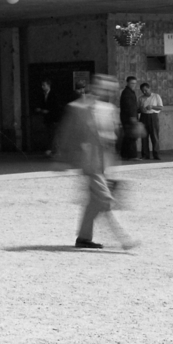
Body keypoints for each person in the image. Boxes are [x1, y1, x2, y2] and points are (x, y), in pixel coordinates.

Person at [56, 76, 136, 250]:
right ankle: (124, 240)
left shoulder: (109, 109)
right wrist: (60, 158)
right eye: (105, 88)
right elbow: (66, 133)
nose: (109, 92)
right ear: (96, 87)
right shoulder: (78, 107)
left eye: (111, 90)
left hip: (104, 163)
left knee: (94, 203)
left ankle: (84, 238)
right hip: (89, 163)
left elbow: (112, 137)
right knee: (105, 200)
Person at [117, 76, 141, 160]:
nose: (133, 85)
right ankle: (132, 155)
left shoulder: (130, 92)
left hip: (128, 117)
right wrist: (132, 117)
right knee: (132, 136)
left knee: (128, 136)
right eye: (132, 83)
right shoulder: (127, 93)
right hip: (129, 118)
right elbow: (129, 107)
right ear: (127, 83)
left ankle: (124, 154)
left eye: (135, 83)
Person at [139, 82, 163, 160]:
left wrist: (152, 107)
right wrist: (140, 109)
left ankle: (156, 154)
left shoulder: (156, 96)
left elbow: (160, 107)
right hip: (144, 116)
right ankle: (145, 154)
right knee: (144, 136)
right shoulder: (141, 98)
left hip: (153, 116)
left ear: (149, 88)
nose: (144, 92)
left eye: (146, 90)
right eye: (143, 91)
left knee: (154, 136)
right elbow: (137, 109)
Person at [33, 79, 57, 156]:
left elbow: (55, 106)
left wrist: (46, 111)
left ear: (48, 85)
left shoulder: (53, 94)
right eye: (42, 85)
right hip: (47, 118)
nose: (42, 87)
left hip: (53, 117)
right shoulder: (43, 95)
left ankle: (52, 149)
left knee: (52, 133)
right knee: (49, 133)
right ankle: (51, 149)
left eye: (44, 85)